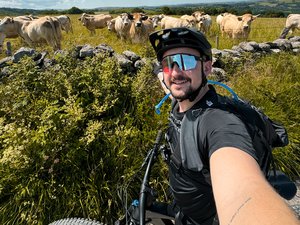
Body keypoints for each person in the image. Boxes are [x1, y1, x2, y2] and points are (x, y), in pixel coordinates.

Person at [148, 27, 299, 225]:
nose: (175, 72)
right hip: (182, 210)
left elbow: (244, 193)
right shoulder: (181, 95)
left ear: (207, 67)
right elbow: (167, 79)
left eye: (187, 61)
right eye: (168, 63)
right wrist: (160, 70)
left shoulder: (218, 123)